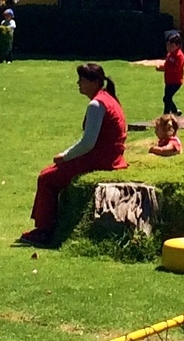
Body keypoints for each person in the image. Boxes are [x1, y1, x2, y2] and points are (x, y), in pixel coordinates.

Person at [18, 63, 129, 245]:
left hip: (100, 159)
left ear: (93, 82)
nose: (78, 83)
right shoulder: (109, 98)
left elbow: (88, 142)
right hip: (112, 156)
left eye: (82, 80)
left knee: (46, 178)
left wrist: (65, 156)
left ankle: (44, 231)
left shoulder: (96, 104)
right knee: (51, 173)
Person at [160, 30, 184, 116]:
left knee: (167, 98)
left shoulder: (179, 56)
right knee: (166, 98)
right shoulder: (169, 54)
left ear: (177, 46)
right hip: (168, 80)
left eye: (172, 46)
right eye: (168, 45)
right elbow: (167, 64)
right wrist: (163, 67)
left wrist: (165, 69)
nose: (169, 47)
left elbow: (177, 68)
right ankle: (175, 111)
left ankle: (166, 114)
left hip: (176, 81)